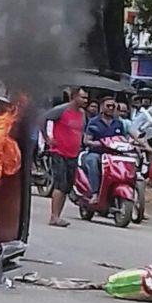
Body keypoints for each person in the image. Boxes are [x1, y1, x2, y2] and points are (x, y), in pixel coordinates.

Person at [42, 87, 89, 227]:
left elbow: (81, 131)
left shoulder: (82, 114)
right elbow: (43, 119)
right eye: (82, 97)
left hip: (73, 154)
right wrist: (47, 138)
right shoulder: (61, 110)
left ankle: (58, 216)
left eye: (86, 98)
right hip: (59, 152)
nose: (85, 101)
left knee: (67, 187)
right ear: (74, 97)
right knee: (60, 185)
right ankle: (54, 216)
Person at [83, 97, 126, 202]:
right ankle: (95, 193)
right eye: (108, 106)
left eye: (113, 106)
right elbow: (86, 140)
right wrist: (97, 143)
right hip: (97, 153)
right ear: (102, 107)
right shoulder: (94, 122)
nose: (111, 108)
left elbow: (123, 139)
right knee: (92, 161)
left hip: (114, 155)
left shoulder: (119, 123)